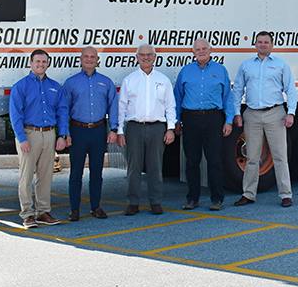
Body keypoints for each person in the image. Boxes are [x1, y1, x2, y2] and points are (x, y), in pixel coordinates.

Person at [232, 31, 298, 208]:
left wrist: (290, 112)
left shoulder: (281, 65)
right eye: (260, 42)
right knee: (252, 157)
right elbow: (238, 89)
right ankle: (248, 194)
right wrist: (236, 113)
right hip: (252, 114)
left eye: (266, 42)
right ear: (255, 45)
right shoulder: (246, 66)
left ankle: (285, 194)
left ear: (272, 45)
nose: (263, 44)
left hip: (275, 114)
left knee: (279, 156)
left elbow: (290, 90)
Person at [8, 49, 68, 228]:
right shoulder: (21, 86)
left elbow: (62, 111)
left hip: (49, 134)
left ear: (48, 64)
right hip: (29, 134)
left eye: (44, 62)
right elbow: (15, 115)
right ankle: (27, 214)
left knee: (45, 175)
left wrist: (62, 135)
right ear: (30, 63)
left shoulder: (55, 86)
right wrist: (22, 138)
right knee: (26, 176)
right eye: (37, 62)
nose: (41, 65)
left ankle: (43, 211)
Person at [174, 39, 236, 211]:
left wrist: (229, 121)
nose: (201, 51)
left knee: (214, 160)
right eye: (198, 49)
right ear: (192, 52)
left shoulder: (220, 70)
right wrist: (176, 120)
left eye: (204, 48)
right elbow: (178, 97)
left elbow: (227, 97)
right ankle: (192, 199)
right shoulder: (186, 71)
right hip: (190, 119)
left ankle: (217, 199)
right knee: (192, 161)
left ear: (211, 50)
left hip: (213, 118)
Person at [59, 46, 119, 221]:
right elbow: (64, 110)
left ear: (97, 60)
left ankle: (95, 207)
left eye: (93, 57)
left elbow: (113, 107)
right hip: (77, 131)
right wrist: (65, 133)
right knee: (76, 173)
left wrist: (113, 129)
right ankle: (74, 210)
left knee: (96, 172)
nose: (89, 59)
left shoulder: (106, 82)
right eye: (86, 56)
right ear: (81, 59)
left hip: (99, 131)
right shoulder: (71, 83)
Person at [117, 44, 176, 215]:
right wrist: (120, 130)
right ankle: (133, 202)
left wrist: (170, 128)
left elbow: (170, 106)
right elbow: (122, 107)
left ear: (155, 57)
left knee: (155, 167)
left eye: (149, 55)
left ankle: (155, 202)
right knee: (134, 167)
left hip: (157, 128)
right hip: (134, 127)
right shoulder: (130, 80)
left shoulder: (163, 80)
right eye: (142, 55)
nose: (146, 57)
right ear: (137, 57)